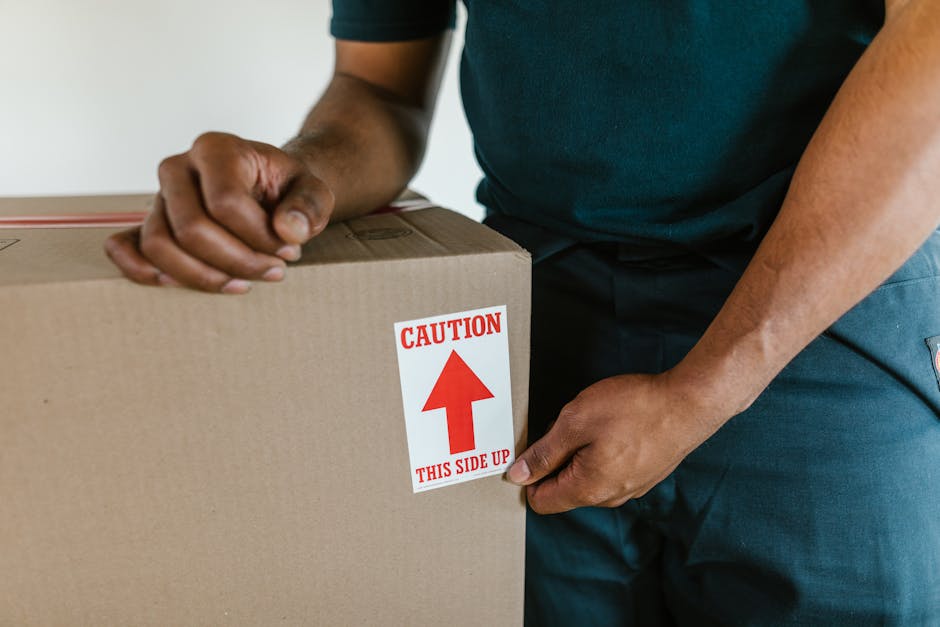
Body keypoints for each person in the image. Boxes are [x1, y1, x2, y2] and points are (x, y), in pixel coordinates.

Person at [105, 1, 940, 624]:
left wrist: (708, 385)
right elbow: (374, 84)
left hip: (815, 324)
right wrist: (304, 171)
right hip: (536, 324)